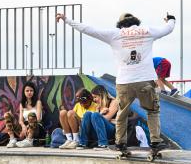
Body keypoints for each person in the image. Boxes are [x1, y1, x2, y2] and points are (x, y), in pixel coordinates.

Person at [56, 12, 175, 151]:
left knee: (122, 113)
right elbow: (168, 29)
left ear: (121, 24)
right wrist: (171, 20)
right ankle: (155, 141)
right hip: (145, 80)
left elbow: (88, 29)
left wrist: (66, 19)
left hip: (124, 82)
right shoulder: (148, 31)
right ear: (136, 22)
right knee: (152, 111)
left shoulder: (115, 34)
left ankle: (120, 142)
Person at [5, 81, 45, 148]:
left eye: (31, 90)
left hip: (36, 128)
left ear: (34, 92)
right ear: (24, 92)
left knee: (31, 115)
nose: (29, 92)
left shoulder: (38, 102)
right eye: (27, 91)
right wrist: (23, 126)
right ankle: (12, 140)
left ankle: (29, 140)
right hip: (25, 128)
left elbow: (38, 119)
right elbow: (20, 120)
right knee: (7, 115)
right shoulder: (22, 104)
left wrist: (28, 127)